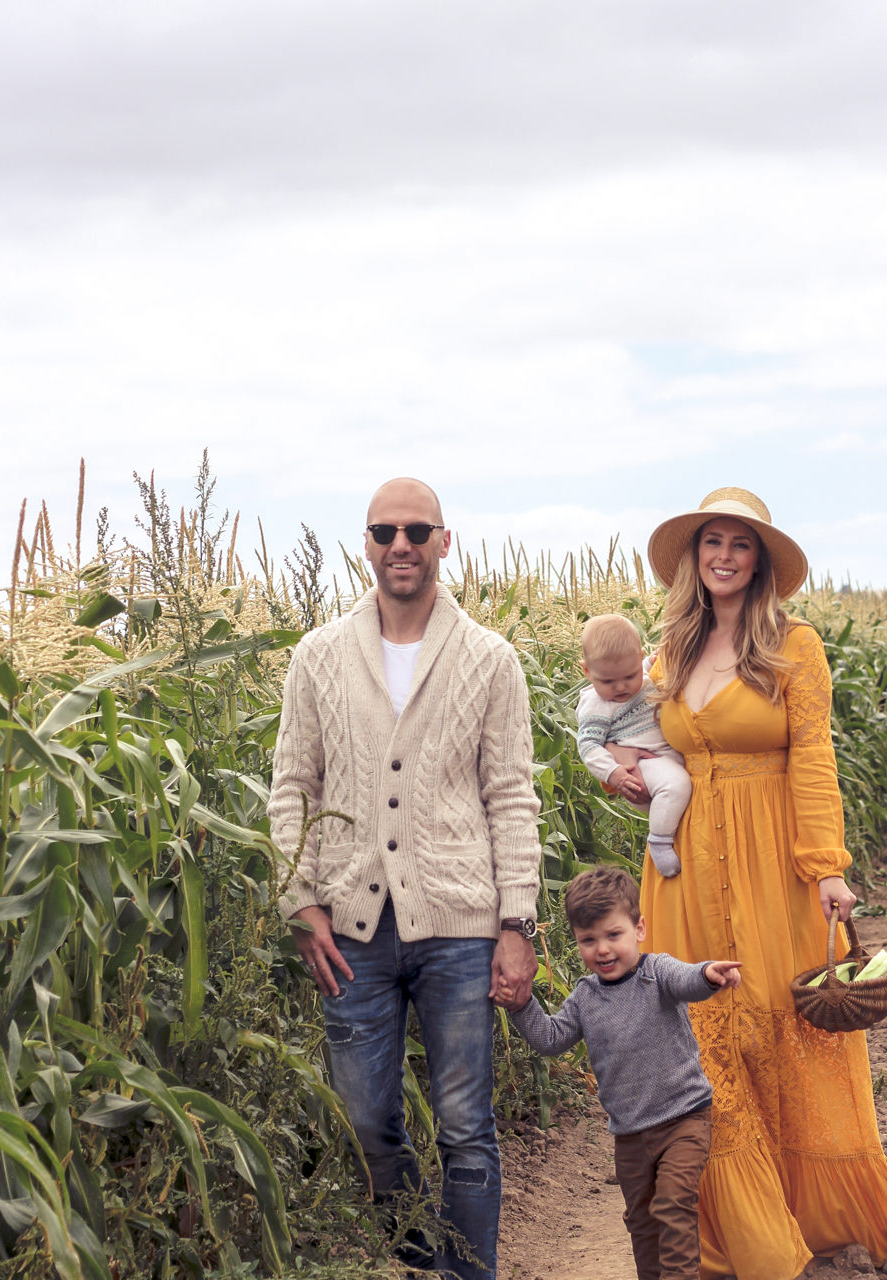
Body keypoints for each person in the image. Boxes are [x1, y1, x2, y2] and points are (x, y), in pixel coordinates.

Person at [623, 486, 887, 1280]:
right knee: (704, 1030)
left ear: (760, 562)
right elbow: (646, 750)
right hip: (684, 864)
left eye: (740, 544)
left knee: (774, 1018)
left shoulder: (796, 645)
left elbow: (815, 757)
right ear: (694, 557)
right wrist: (634, 777)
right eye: (711, 541)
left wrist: (826, 868)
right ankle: (741, 1227)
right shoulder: (668, 652)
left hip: (769, 857)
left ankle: (811, 1212)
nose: (723, 555)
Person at [267, 477, 542, 1280]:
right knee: (363, 1122)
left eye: (417, 531)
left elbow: (511, 796)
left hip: (460, 924)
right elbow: (294, 787)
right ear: (366, 543)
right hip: (350, 926)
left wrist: (517, 923)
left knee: (464, 1123)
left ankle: (471, 1275)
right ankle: (426, 1255)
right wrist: (301, 899)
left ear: (444, 541)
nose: (401, 546)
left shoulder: (490, 658)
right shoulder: (317, 655)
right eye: (385, 531)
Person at [507, 866, 741, 1280]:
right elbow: (551, 1039)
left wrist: (707, 975)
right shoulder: (585, 997)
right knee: (642, 1220)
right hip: (630, 1133)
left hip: (683, 1118)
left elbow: (686, 979)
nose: (602, 949)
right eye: (588, 940)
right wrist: (521, 1005)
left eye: (613, 935)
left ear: (639, 929)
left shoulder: (657, 973)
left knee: (672, 1203)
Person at [577, 613, 692, 877]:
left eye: (629, 676)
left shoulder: (639, 672)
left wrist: (655, 660)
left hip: (663, 757)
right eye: (607, 681)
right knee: (677, 785)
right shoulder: (595, 705)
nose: (621, 687)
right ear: (586, 671)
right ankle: (660, 841)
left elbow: (647, 666)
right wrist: (614, 774)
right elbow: (588, 746)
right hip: (642, 767)